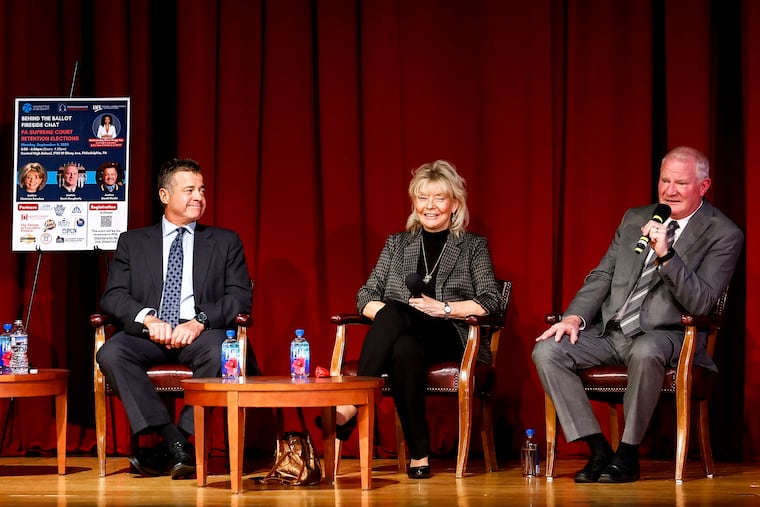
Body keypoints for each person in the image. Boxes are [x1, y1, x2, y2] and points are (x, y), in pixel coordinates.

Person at [532, 146, 743, 484]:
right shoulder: (635, 218)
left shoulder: (723, 233)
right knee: (548, 350)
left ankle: (628, 454)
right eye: (665, 181)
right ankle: (598, 449)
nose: (669, 190)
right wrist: (574, 317)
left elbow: (702, 302)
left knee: (645, 351)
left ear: (703, 186)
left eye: (681, 183)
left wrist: (667, 255)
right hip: (611, 332)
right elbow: (602, 275)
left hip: (669, 335)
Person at [322, 160, 501, 480]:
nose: (430, 206)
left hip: (451, 334)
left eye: (439, 198)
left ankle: (353, 402)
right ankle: (420, 455)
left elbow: (490, 301)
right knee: (404, 348)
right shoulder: (397, 243)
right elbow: (365, 295)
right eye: (422, 198)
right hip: (406, 335)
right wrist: (392, 315)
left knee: (396, 318)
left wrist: (445, 309)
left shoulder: (473, 246)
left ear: (455, 204)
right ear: (414, 203)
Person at [96, 158, 256, 479]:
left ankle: (170, 446)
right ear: (165, 196)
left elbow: (239, 296)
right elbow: (113, 297)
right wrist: (148, 319)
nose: (198, 197)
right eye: (189, 190)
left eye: (202, 190)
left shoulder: (225, 242)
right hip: (148, 334)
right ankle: (176, 443)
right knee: (111, 352)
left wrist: (198, 321)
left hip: (199, 333)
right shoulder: (133, 241)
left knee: (223, 351)